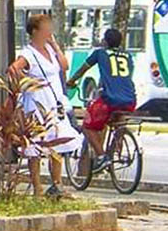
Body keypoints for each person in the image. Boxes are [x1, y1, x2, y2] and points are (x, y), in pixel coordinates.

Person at [8, 13, 82, 198]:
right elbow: (13, 69)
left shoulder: (50, 49)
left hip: (55, 102)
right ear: (35, 31)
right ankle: (37, 188)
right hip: (37, 103)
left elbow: (64, 66)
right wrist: (29, 84)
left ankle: (57, 185)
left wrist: (55, 45)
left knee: (57, 142)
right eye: (45, 28)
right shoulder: (28, 53)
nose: (49, 31)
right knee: (36, 145)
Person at [67, 28, 136, 170]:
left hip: (109, 99)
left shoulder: (100, 53)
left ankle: (101, 156)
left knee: (87, 127)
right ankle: (117, 145)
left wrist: (71, 81)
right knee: (118, 122)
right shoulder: (128, 56)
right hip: (130, 99)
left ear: (105, 41)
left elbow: (82, 70)